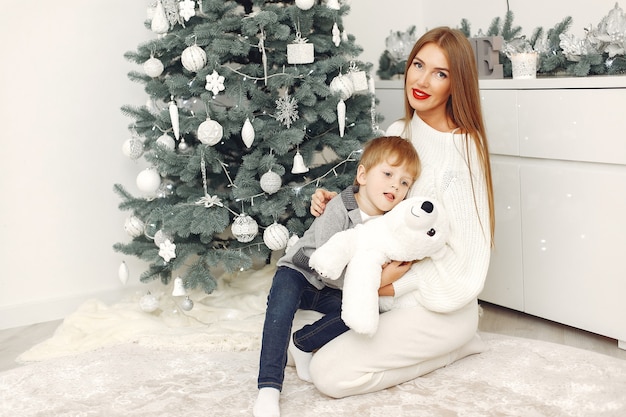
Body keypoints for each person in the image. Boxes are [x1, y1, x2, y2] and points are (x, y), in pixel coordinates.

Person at [307, 26, 495, 398]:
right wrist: (340, 202)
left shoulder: (463, 152)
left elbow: (467, 265)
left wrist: (387, 284)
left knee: (326, 375)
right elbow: (380, 212)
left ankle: (456, 346)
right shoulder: (400, 130)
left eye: (440, 73)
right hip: (387, 296)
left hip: (440, 306)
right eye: (418, 65)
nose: (422, 80)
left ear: (456, 85)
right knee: (300, 352)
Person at [253, 136, 421, 417]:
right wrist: (372, 283)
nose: (395, 185)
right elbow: (324, 264)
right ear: (363, 176)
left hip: (333, 289)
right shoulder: (338, 207)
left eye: (404, 182)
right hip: (300, 271)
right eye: (389, 174)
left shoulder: (389, 224)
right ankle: (268, 387)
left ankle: (304, 343)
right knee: (279, 311)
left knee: (364, 313)